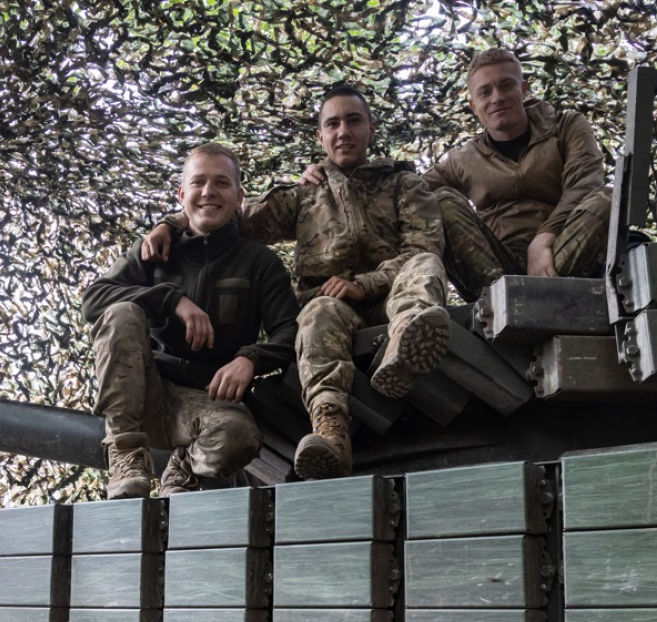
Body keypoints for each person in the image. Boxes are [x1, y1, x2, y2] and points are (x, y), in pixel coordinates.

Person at [145, 85, 448, 479]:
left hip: (397, 293)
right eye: (332, 124)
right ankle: (331, 433)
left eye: (354, 121)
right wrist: (173, 222)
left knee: (424, 262)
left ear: (371, 129)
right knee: (317, 313)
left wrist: (367, 283)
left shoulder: (403, 185)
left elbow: (424, 245)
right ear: (320, 137)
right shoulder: (305, 196)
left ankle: (407, 348)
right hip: (334, 305)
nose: (343, 132)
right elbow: (228, 211)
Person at [82, 142, 299, 499]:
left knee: (237, 437)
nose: (208, 192)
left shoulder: (259, 262)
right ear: (182, 193)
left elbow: (290, 328)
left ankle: (182, 469)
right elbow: (93, 300)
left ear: (240, 196)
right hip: (142, 391)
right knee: (121, 312)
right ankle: (124, 453)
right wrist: (172, 300)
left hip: (204, 400)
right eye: (198, 183)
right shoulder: (153, 250)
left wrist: (251, 358)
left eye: (221, 183)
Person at [424, 48, 611, 296]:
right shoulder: (462, 160)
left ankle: (546, 301)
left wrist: (545, 236)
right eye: (485, 92)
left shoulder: (566, 126)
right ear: (473, 105)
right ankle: (500, 303)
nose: (497, 97)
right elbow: (413, 192)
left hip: (560, 255)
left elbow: (585, 183)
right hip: (495, 271)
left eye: (506, 86)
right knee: (441, 202)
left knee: (607, 199)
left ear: (523, 89)